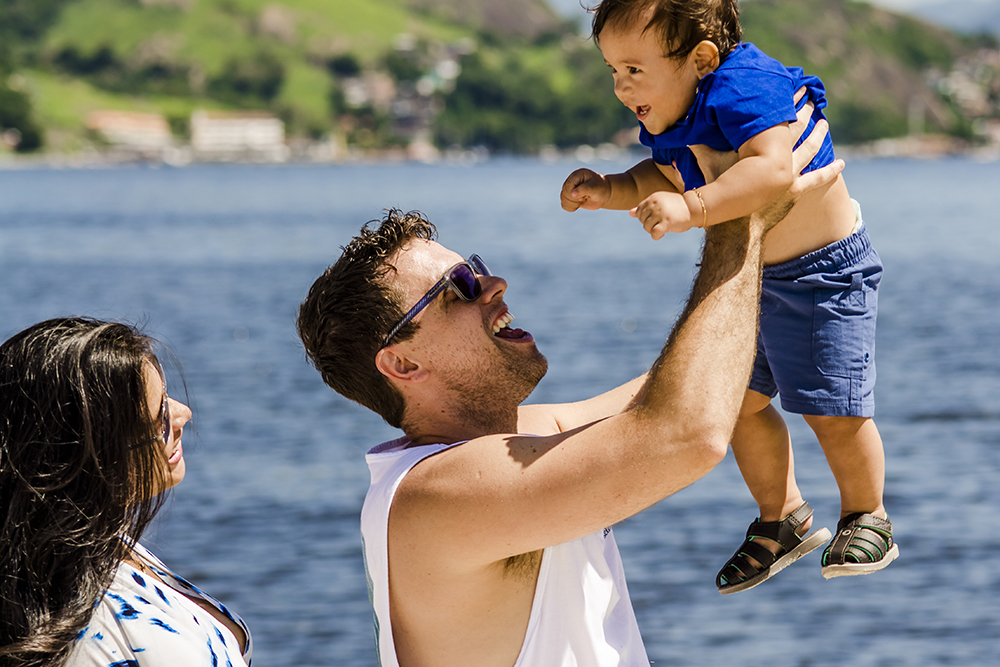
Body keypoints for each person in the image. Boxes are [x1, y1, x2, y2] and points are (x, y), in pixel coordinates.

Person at [296, 112, 839, 665]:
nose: (493, 283)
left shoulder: (517, 437)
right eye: (457, 289)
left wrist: (808, 262)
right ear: (403, 363)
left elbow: (691, 390)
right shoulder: (434, 495)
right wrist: (738, 214)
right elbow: (686, 435)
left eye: (475, 267)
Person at [560, 0, 896, 593]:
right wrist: (610, 189)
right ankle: (783, 517)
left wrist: (692, 209)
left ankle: (867, 513)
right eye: (612, 70)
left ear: (701, 59)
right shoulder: (678, 112)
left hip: (821, 273)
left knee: (831, 411)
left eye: (633, 69)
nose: (620, 86)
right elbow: (664, 174)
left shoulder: (744, 85)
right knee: (734, 403)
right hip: (755, 278)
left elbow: (772, 172)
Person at [0, 318, 252, 667]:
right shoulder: (83, 637)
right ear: (89, 457)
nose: (184, 414)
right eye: (161, 415)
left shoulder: (105, 545)